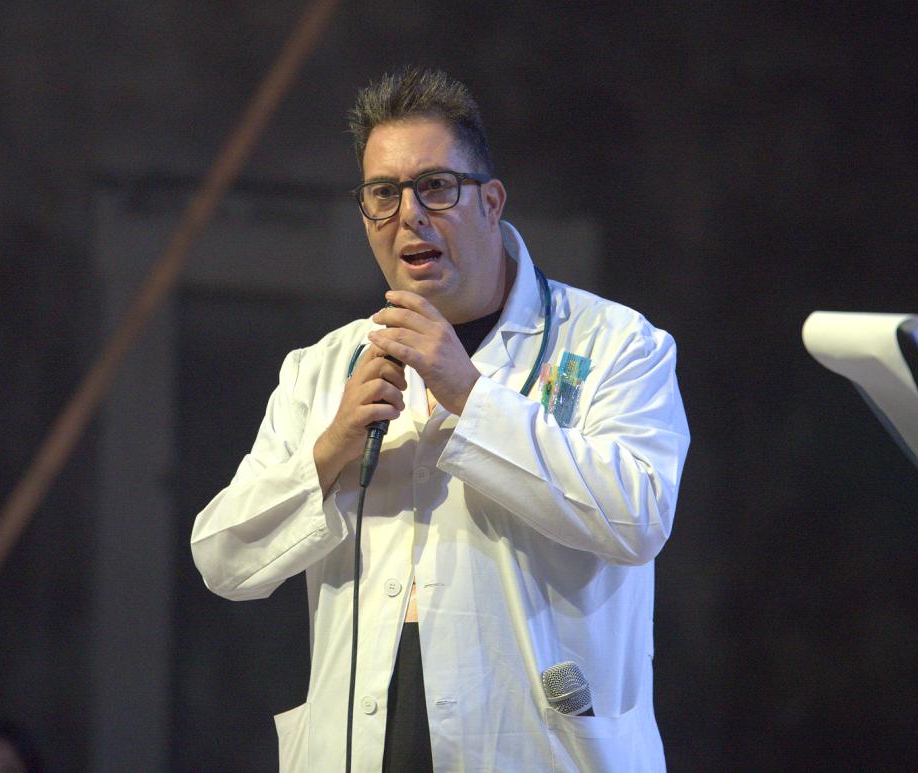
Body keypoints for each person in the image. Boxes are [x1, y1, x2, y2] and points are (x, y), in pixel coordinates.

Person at [190, 68, 689, 772]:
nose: (410, 215)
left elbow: (639, 515)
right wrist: (330, 450)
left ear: (491, 201)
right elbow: (223, 560)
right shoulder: (323, 368)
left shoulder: (617, 344)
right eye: (383, 193)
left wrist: (469, 394)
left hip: (536, 747)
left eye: (436, 186)